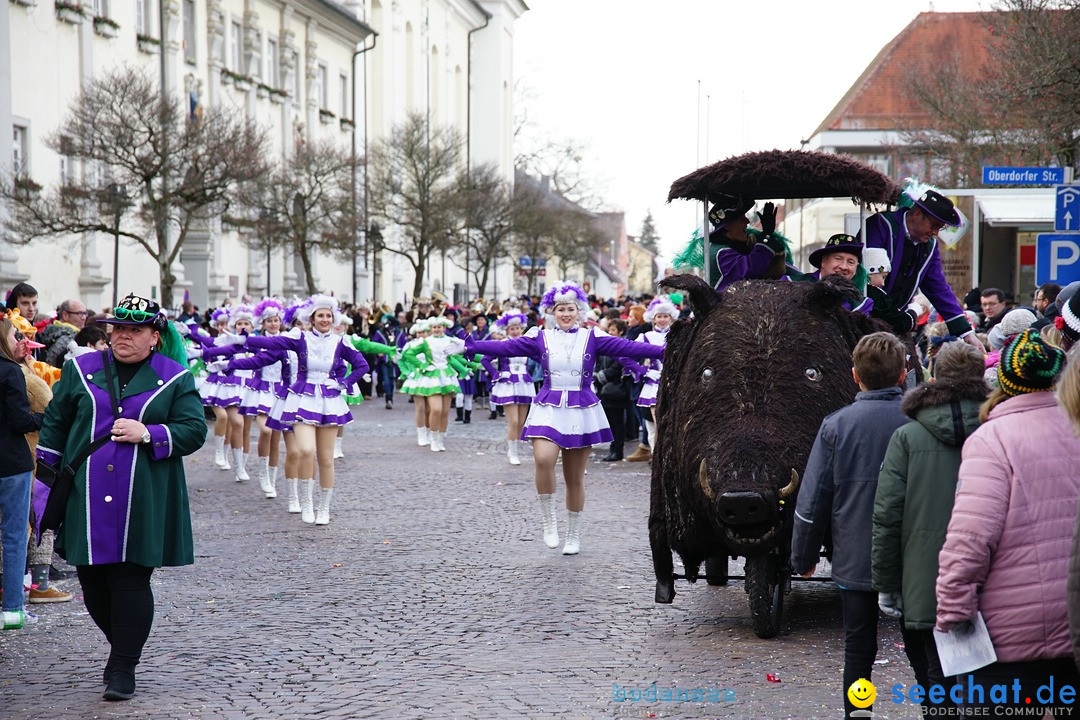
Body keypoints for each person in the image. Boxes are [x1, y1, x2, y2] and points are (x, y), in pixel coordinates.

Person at [34, 293, 205, 699]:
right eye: (118, 329)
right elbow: (56, 426)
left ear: (154, 337)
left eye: (135, 329)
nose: (123, 336)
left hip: (142, 496)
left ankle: (123, 666)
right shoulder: (81, 368)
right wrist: (42, 488)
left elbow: (194, 429)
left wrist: (149, 433)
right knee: (93, 581)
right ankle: (123, 647)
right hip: (85, 493)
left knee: (130, 578)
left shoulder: (174, 377)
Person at [936, 329, 1080, 713]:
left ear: (1003, 382)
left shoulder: (993, 439)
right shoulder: (1076, 429)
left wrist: (952, 609)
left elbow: (971, 536)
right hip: (1075, 627)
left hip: (1010, 638)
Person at [465, 282, 664, 556]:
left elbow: (629, 347)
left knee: (574, 477)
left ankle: (573, 533)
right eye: (561, 309)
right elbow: (507, 347)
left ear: (579, 311)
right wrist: (471, 345)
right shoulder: (540, 337)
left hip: (581, 409)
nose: (566, 314)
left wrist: (667, 350)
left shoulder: (592, 337)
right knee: (544, 459)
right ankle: (549, 522)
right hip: (548, 405)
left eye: (571, 308)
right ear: (552, 312)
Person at [789, 331, 910, 720]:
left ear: (855, 375)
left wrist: (803, 555)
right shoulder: (918, 419)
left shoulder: (837, 426)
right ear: (904, 374)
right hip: (913, 557)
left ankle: (859, 715)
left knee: (859, 648)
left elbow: (812, 500)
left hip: (856, 555)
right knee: (924, 648)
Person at [872, 341, 988, 714]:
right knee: (984, 682)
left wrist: (887, 584)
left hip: (924, 578)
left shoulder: (909, 436)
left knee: (933, 676)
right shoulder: (998, 429)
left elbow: (888, 516)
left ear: (935, 375)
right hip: (986, 576)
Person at [241, 295, 369, 525]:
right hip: (302, 398)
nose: (325, 319)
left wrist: (344, 383)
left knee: (326, 458)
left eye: (328, 315)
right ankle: (306, 503)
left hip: (329, 399)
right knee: (306, 451)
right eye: (320, 315)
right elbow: (273, 343)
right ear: (311, 318)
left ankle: (324, 508)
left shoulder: (341, 341)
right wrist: (246, 340)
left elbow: (362, 365)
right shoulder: (300, 338)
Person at [858, 186, 984, 351]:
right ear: (917, 214)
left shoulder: (930, 247)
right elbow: (868, 282)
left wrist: (967, 333)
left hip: (897, 329)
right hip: (866, 322)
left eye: (941, 228)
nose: (936, 232)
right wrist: (903, 319)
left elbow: (938, 289)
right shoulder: (881, 225)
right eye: (934, 226)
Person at [0, 315, 45, 629]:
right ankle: (13, 609)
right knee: (15, 538)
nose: (21, 342)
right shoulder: (11, 372)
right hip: (12, 463)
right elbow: (20, 422)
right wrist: (45, 417)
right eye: (17, 336)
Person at [482, 312, 536, 465]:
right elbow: (486, 359)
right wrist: (495, 373)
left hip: (524, 383)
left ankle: (517, 447)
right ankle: (512, 452)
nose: (515, 331)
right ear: (506, 330)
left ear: (522, 329)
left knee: (521, 422)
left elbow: (539, 358)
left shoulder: (526, 344)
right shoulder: (503, 344)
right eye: (512, 328)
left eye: (518, 328)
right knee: (513, 420)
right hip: (508, 383)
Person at [593, 319, 632, 461]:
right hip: (605, 389)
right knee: (611, 422)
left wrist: (599, 377)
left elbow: (616, 368)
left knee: (617, 422)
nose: (610, 333)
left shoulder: (621, 345)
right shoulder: (606, 346)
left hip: (616, 389)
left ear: (621, 332)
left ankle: (617, 450)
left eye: (613, 330)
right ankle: (613, 449)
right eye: (609, 330)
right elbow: (598, 364)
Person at [862, 247, 922, 334]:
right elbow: (900, 322)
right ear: (870, 273)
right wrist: (913, 312)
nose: (883, 283)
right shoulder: (877, 296)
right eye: (883, 277)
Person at [39, 298, 89, 368]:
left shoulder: (48, 330)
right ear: (65, 315)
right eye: (79, 314)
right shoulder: (72, 336)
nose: (84, 318)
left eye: (85, 313)